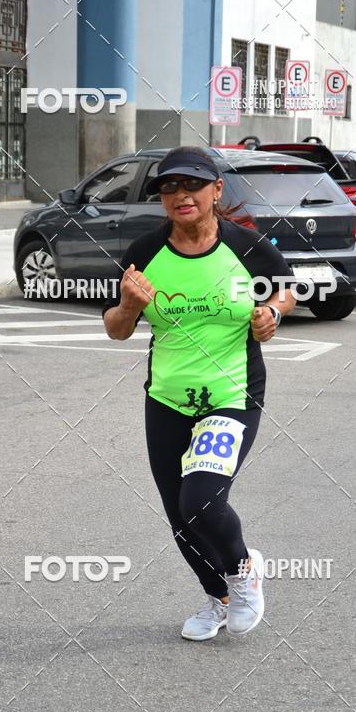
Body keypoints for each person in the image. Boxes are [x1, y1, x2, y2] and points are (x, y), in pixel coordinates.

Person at [102, 146, 296, 641]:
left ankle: (243, 570)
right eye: (169, 187)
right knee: (178, 514)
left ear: (215, 191)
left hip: (231, 393)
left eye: (191, 185)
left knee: (201, 500)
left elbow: (287, 288)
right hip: (166, 397)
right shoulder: (144, 253)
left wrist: (272, 313)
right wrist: (127, 305)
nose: (180, 195)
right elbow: (116, 330)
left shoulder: (246, 247)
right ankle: (220, 598)